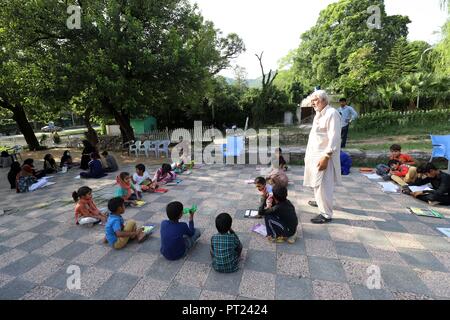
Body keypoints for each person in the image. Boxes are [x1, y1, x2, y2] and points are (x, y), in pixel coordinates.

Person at [303, 90, 342, 224]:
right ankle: (320, 202)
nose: (313, 103)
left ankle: (326, 214)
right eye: (312, 100)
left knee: (323, 185)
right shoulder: (319, 114)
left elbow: (335, 137)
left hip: (323, 156)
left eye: (316, 100)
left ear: (324, 100)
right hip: (314, 155)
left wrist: (326, 156)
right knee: (316, 183)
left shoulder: (332, 114)